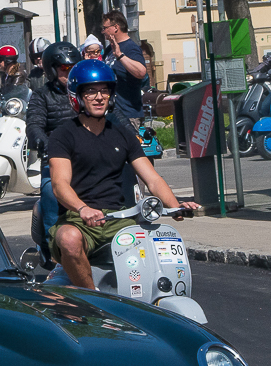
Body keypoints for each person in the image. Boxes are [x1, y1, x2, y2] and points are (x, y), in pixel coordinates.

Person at [47, 61, 199, 290]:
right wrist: (83, 209)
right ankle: (94, 299)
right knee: (68, 239)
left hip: (120, 219)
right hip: (79, 220)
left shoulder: (123, 135)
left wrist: (175, 206)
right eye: (91, 91)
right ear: (77, 96)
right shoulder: (63, 135)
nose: (99, 97)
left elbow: (153, 179)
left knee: (156, 248)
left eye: (104, 90)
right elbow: (60, 184)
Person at [26, 42, 81, 247]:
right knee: (50, 192)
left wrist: (132, 135)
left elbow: (112, 116)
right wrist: (43, 142)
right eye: (64, 68)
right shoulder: (42, 95)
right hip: (56, 161)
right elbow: (34, 125)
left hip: (88, 159)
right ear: (52, 69)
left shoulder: (88, 91)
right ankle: (52, 248)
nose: (69, 72)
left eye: (73, 67)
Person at [101, 11, 148, 131]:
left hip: (128, 114)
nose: (103, 32)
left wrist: (120, 56)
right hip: (111, 112)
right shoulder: (109, 49)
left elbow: (141, 72)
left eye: (105, 28)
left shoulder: (131, 48)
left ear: (116, 27)